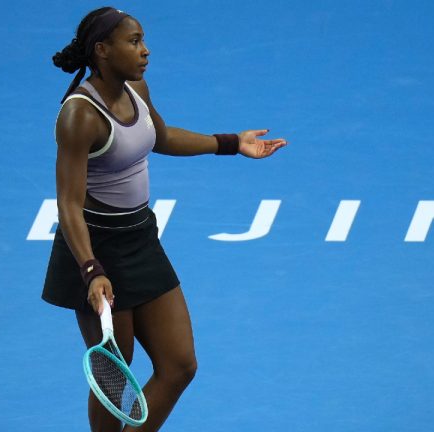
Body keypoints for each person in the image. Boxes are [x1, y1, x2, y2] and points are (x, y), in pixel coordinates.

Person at [41, 6, 287, 432]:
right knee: (116, 370)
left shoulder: (137, 87)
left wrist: (231, 143)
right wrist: (90, 269)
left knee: (179, 364)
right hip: (94, 248)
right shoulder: (80, 115)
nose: (145, 50)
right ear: (102, 50)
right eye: (133, 41)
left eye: (143, 40)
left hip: (140, 238)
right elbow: (67, 205)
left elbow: (163, 135)